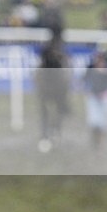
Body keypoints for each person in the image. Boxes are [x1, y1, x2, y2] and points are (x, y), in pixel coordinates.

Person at [35, 9, 71, 153]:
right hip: (49, 72)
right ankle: (46, 133)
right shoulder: (48, 45)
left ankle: (55, 130)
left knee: (59, 107)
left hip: (57, 73)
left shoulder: (59, 43)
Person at [83, 50, 107, 149]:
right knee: (93, 122)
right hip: (93, 97)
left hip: (105, 98)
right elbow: (84, 80)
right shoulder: (91, 69)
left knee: (103, 123)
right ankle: (94, 142)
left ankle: (101, 143)